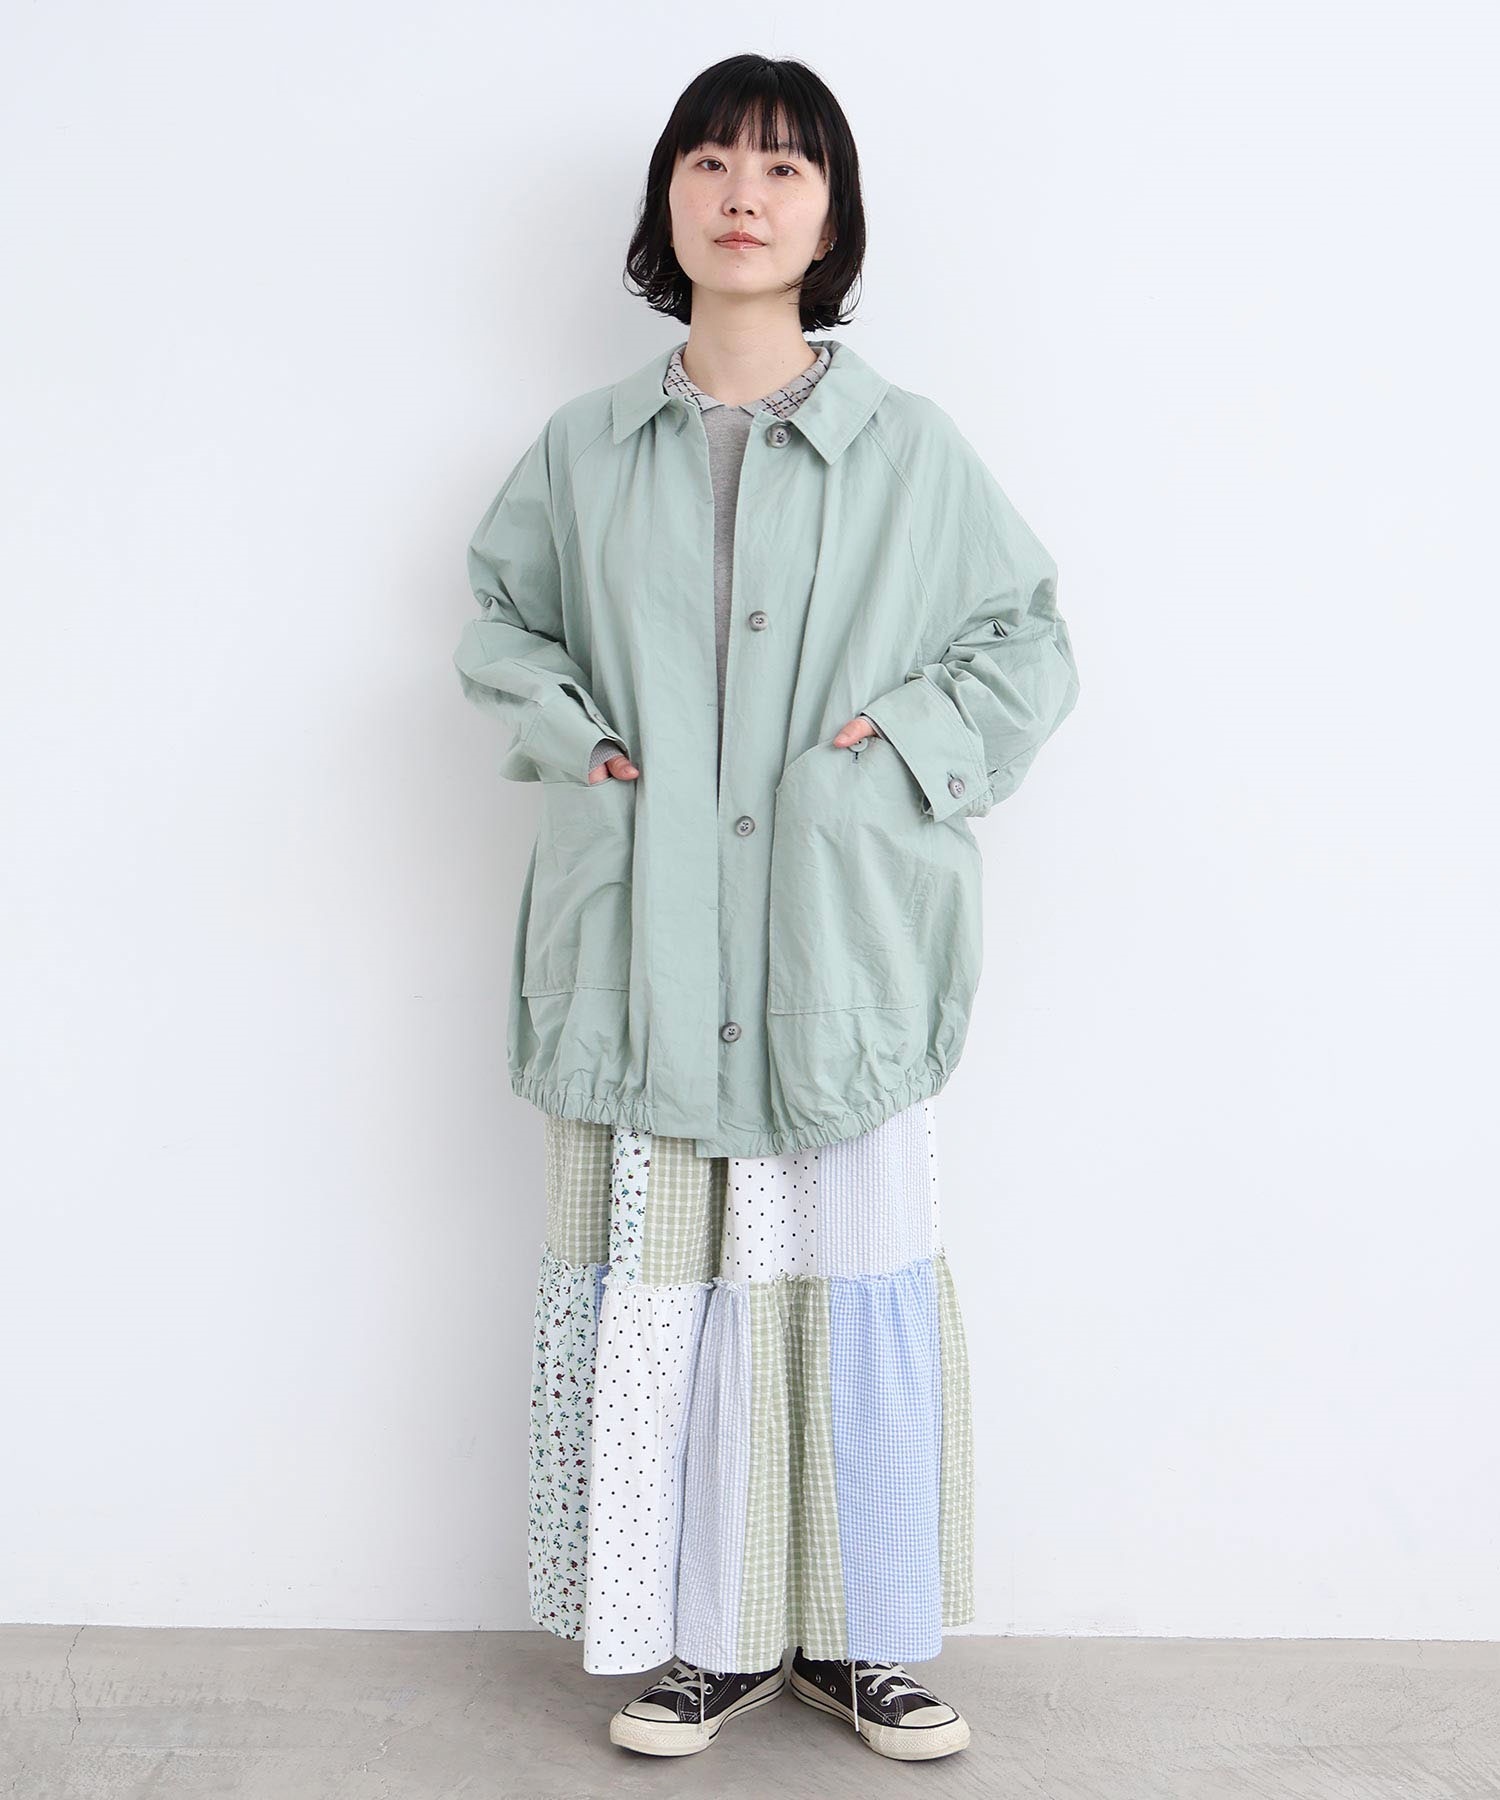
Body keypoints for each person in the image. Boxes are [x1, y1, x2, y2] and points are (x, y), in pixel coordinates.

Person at [454, 53, 1080, 1762]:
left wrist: (898, 750)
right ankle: (700, 1640)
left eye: (787, 168)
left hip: (834, 954)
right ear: (667, 196)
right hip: (647, 951)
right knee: (666, 1289)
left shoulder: (908, 451)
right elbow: (502, 622)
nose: (746, 192)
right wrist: (576, 739)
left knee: (845, 1284)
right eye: (713, 160)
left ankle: (858, 1641)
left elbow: (1027, 643)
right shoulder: (585, 450)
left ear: (831, 216)